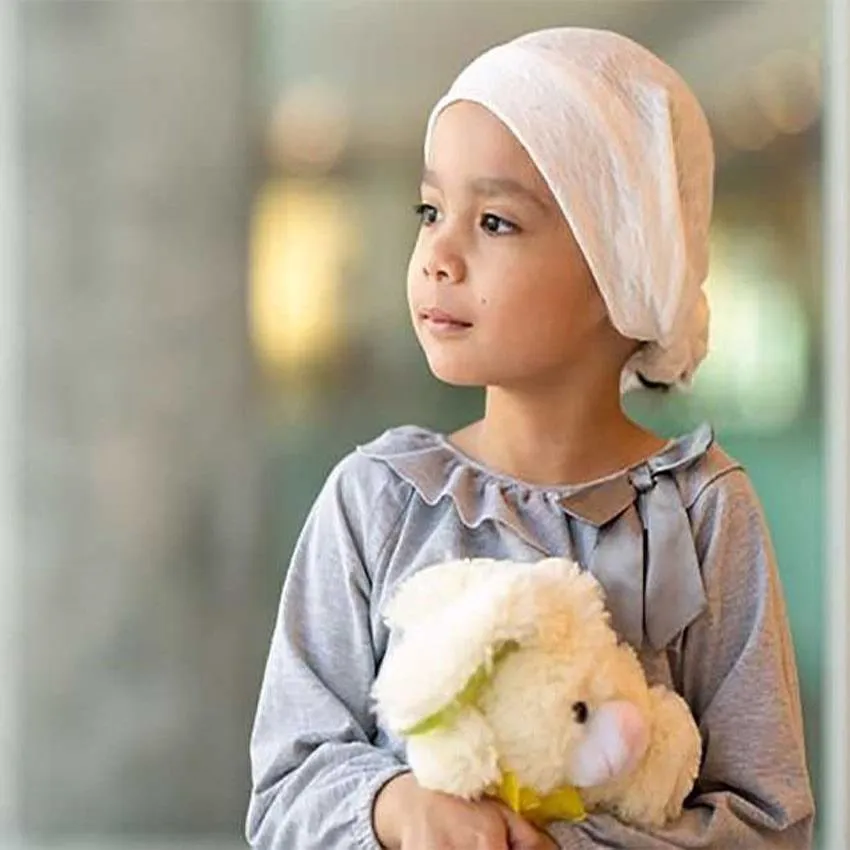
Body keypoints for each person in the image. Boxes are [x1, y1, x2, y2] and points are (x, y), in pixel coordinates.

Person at [245, 28, 815, 849]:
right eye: (431, 210)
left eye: (496, 222)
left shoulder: (705, 514)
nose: (439, 254)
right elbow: (282, 793)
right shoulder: (375, 501)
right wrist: (394, 808)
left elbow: (769, 823)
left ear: (620, 267)